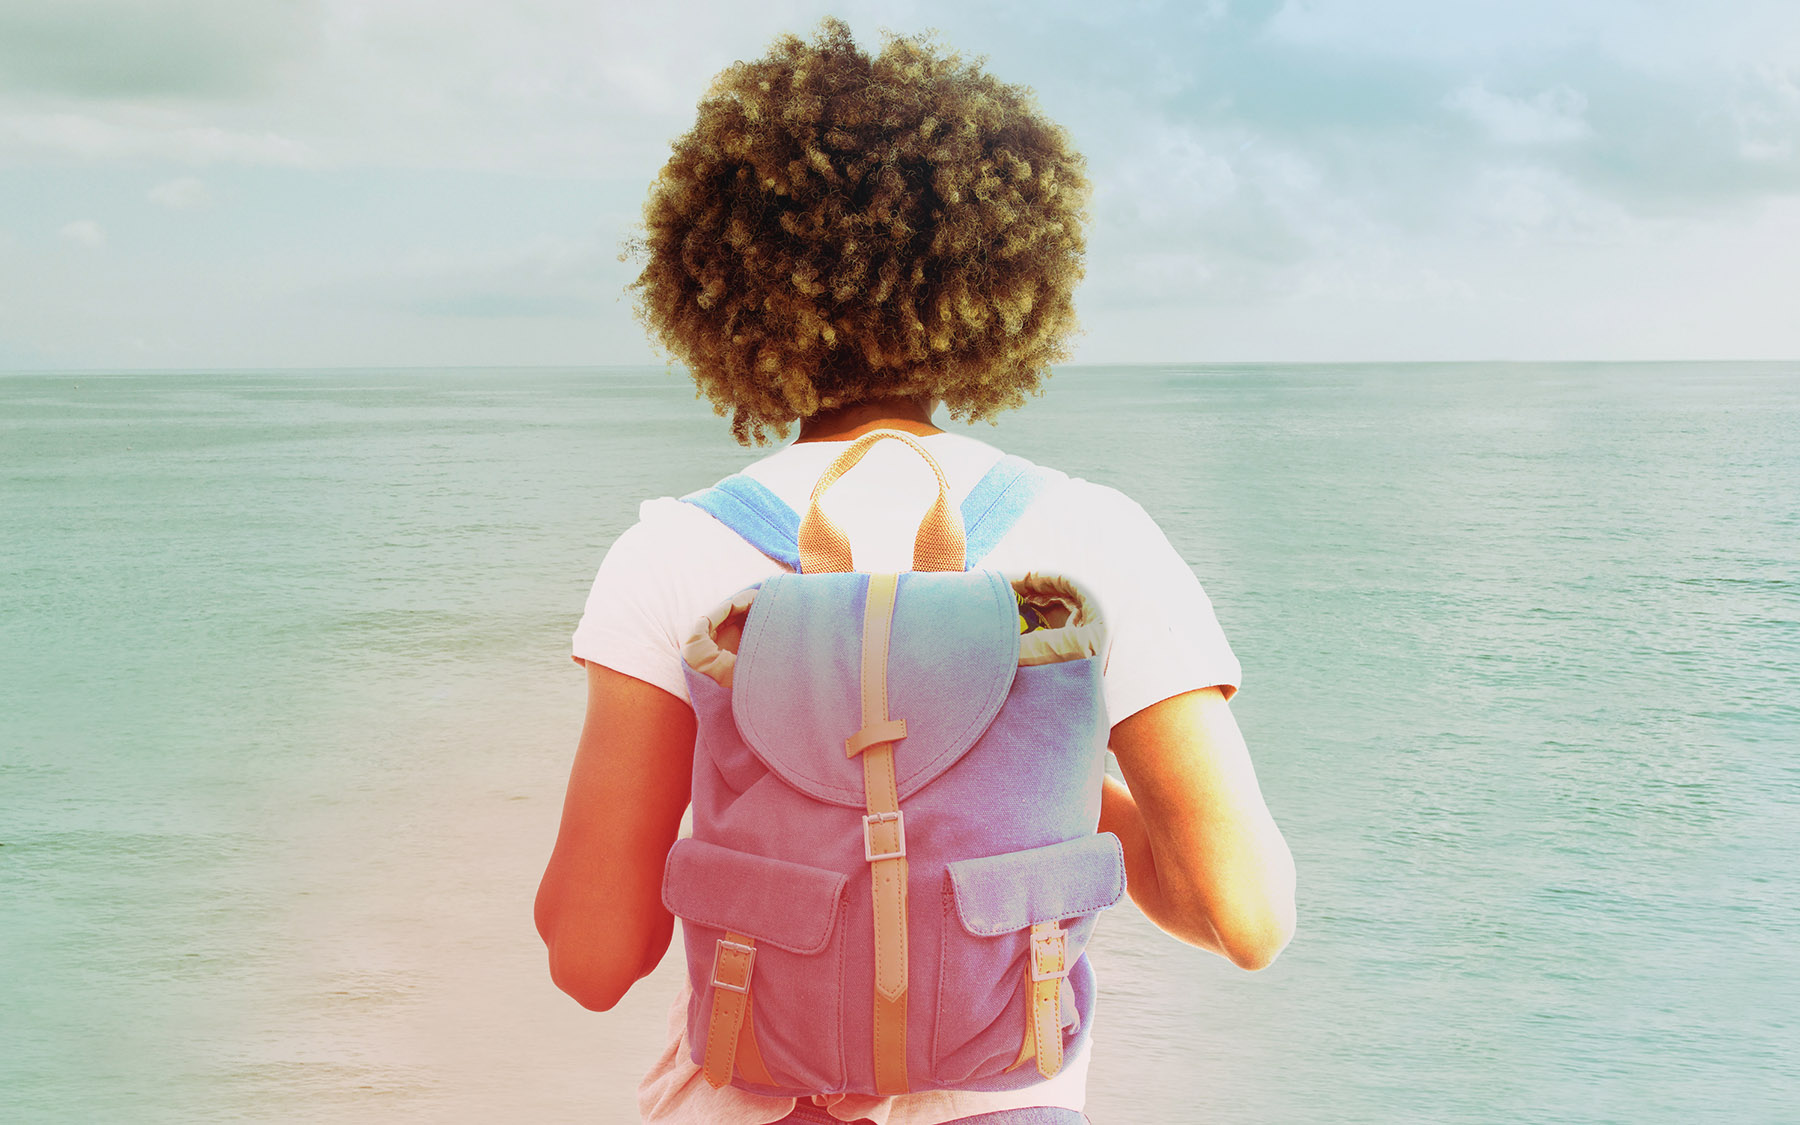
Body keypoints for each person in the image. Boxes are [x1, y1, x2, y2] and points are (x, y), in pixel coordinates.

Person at [534, 20, 1296, 1125]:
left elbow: (593, 961)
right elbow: (1249, 918)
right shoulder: (1093, 539)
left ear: (725, 284)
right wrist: (1030, 763)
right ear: (1001, 278)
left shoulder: (671, 552)